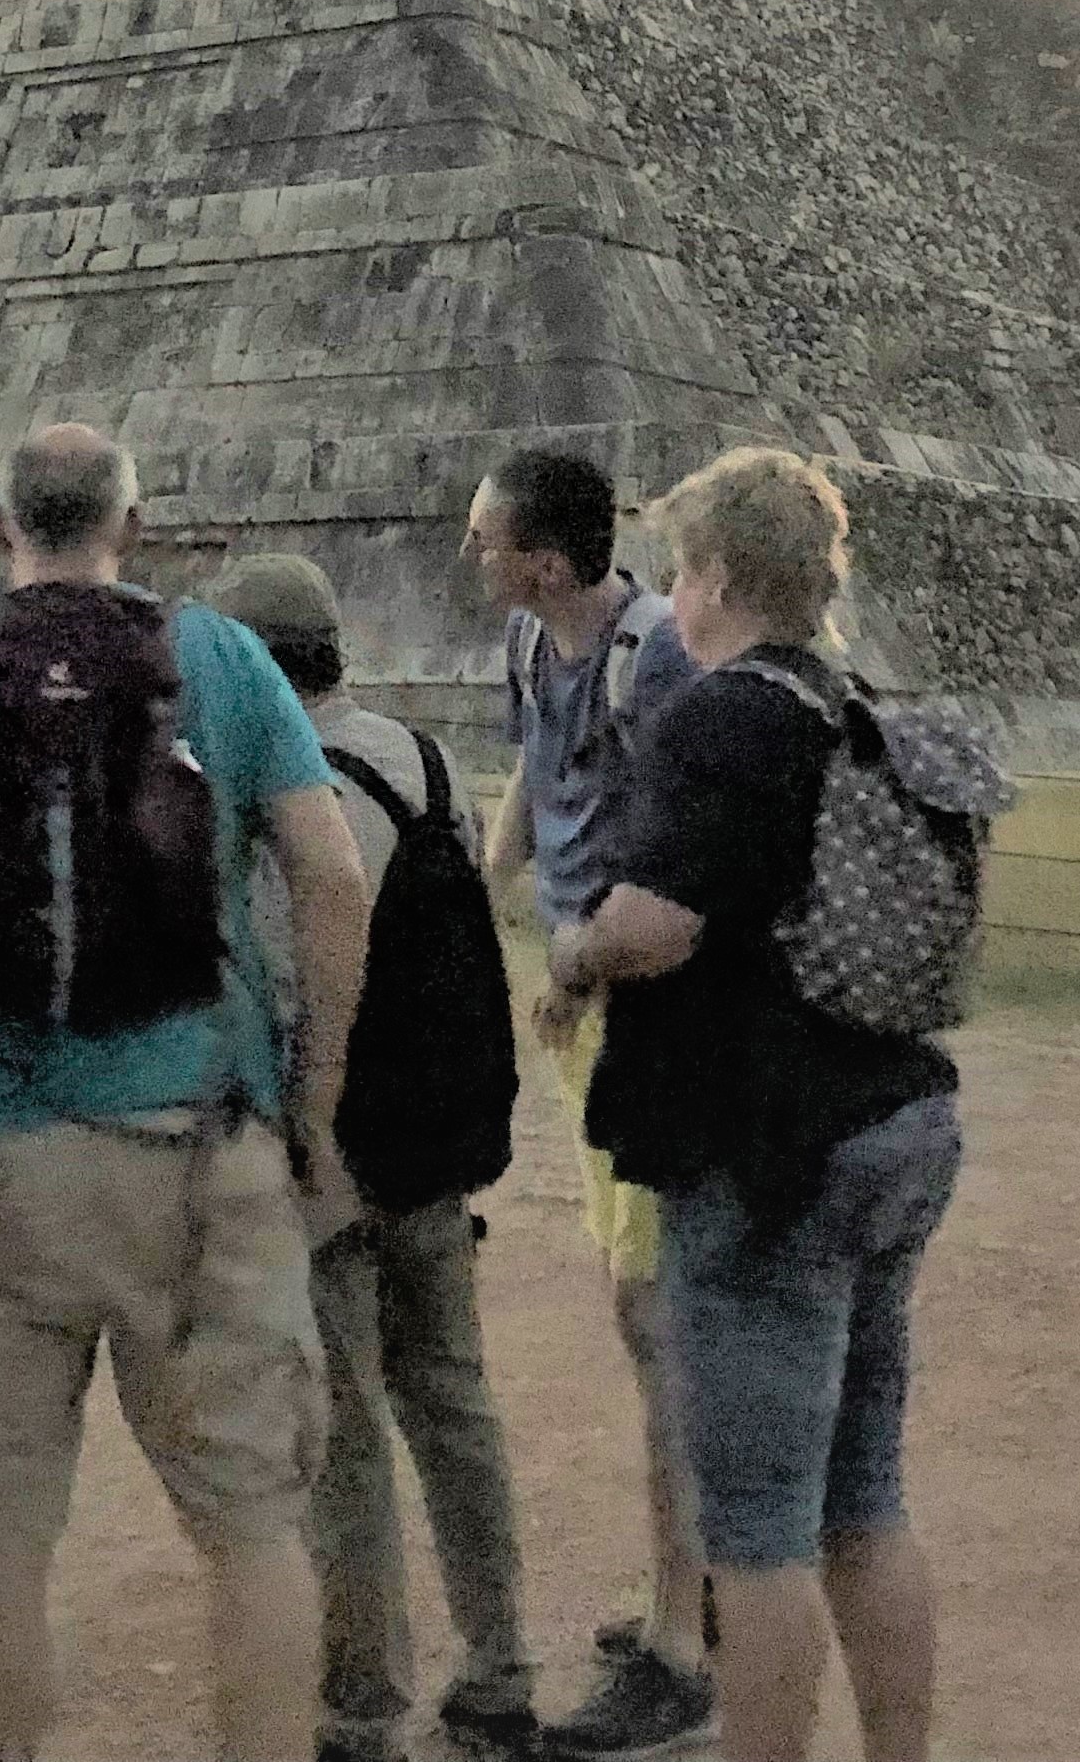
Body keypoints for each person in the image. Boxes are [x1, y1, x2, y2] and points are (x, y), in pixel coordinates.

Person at [0, 423, 375, 1762]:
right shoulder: (222, 659)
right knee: (252, 1534)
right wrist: (316, 1101)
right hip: (197, 1151)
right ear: (135, 525)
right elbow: (335, 881)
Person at [543, 451, 959, 1762]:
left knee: (759, 1530)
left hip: (768, 1150)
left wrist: (575, 955)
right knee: (865, 1503)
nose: (672, 599)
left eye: (680, 574)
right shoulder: (861, 711)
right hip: (889, 1119)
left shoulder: (727, 718)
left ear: (718, 578)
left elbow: (656, 925)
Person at [205, 553, 537, 1762]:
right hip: (435, 1140)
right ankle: (500, 1664)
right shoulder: (420, 760)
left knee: (344, 1429)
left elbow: (301, 985)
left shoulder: (296, 789)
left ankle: (364, 1698)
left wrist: (297, 1143)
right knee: (454, 1402)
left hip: (340, 1150)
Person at [458, 452, 710, 1761]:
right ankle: (698, 1595)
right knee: (639, 1300)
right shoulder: (531, 641)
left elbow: (681, 848)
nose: (471, 552)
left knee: (658, 1315)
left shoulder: (654, 656)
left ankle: (685, 1644)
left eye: (486, 535)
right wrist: (482, 893)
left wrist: (587, 963)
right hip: (585, 1003)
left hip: (642, 1014)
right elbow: (537, 787)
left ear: (543, 559)